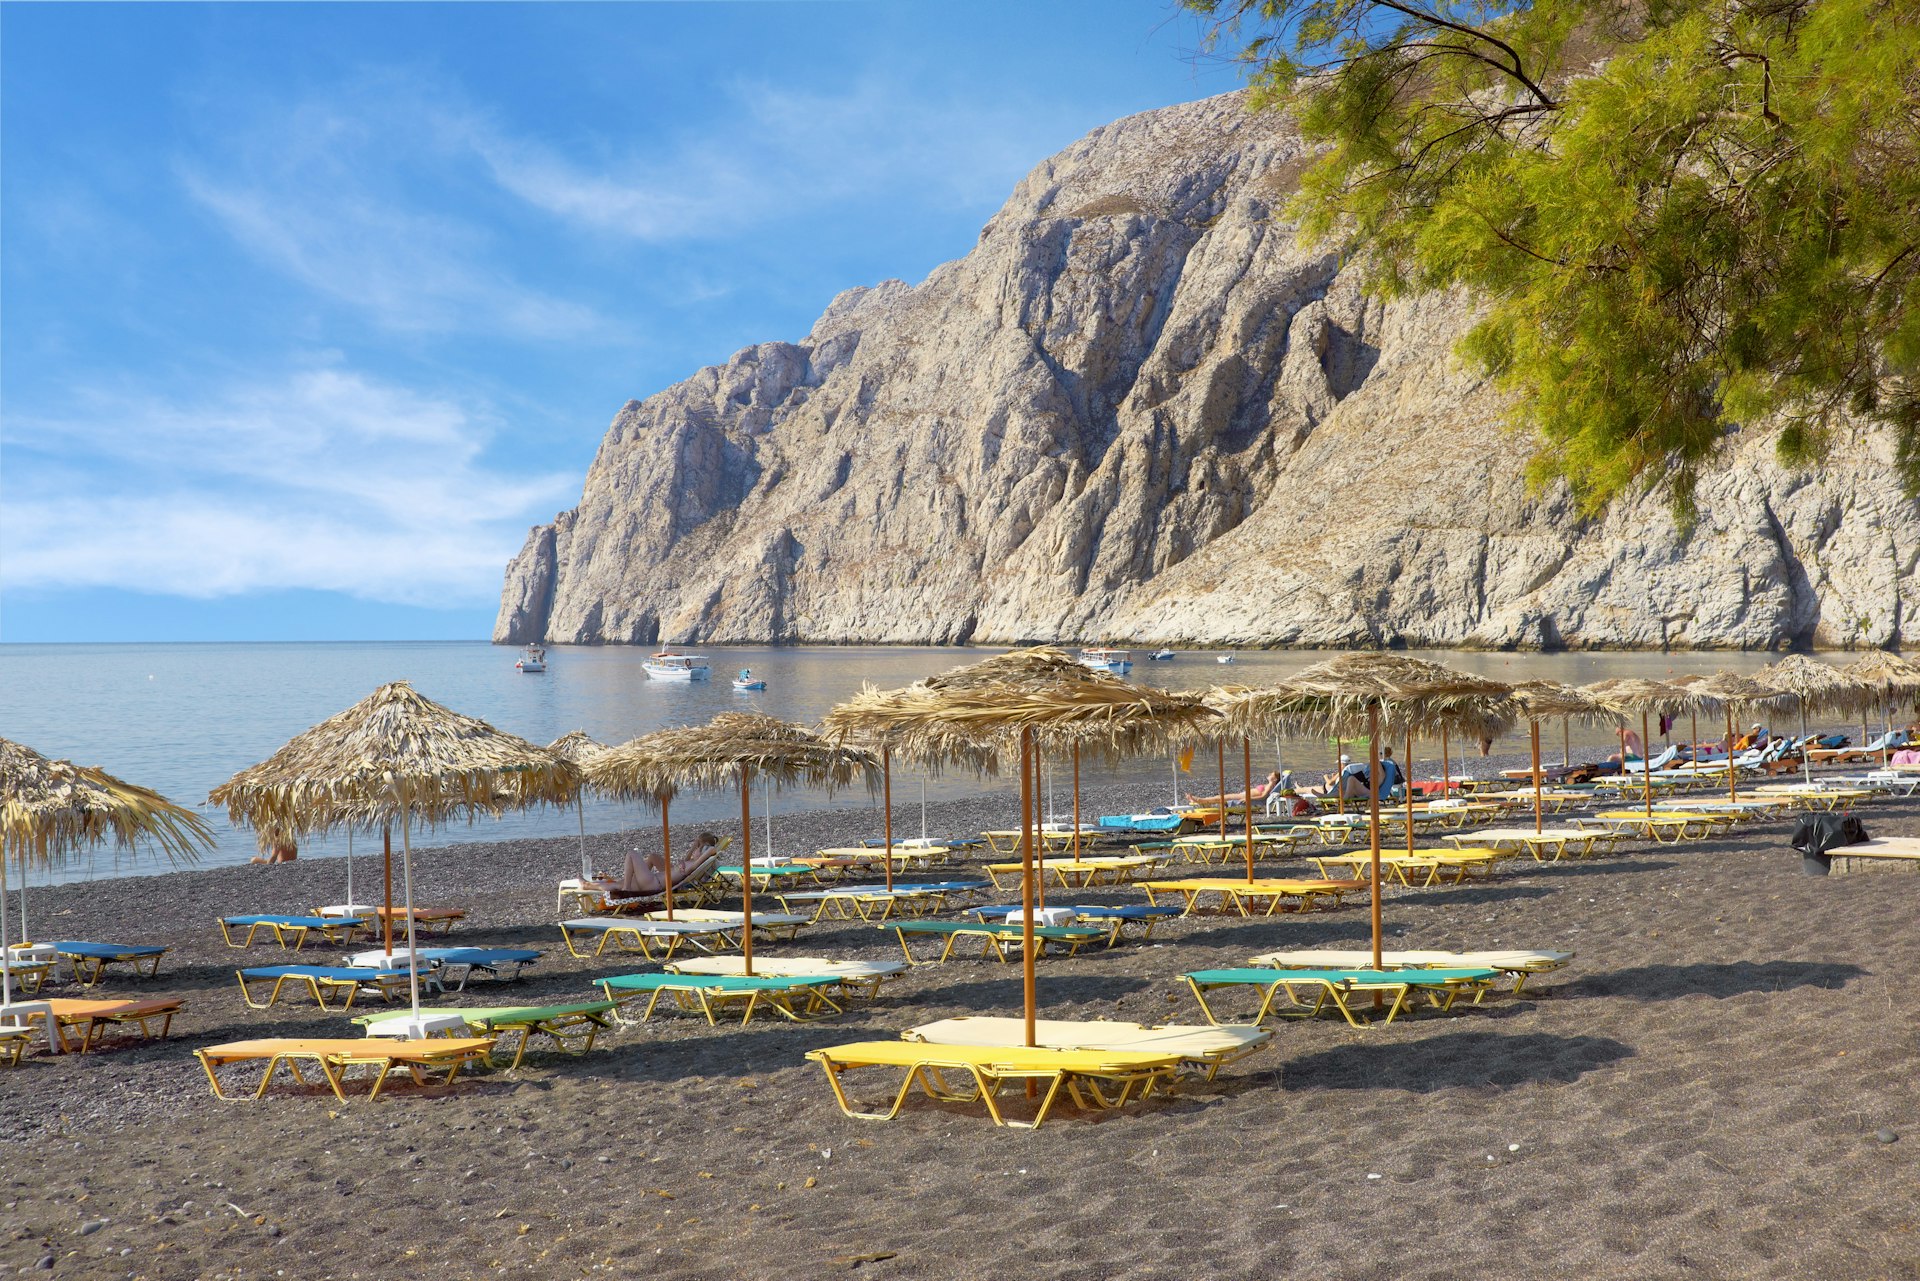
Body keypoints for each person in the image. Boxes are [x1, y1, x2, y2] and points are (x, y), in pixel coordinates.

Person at [1186, 770, 1284, 807]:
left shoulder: (1270, 785)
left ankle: (1199, 800)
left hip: (1243, 796)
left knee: (1220, 798)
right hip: (1243, 794)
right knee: (1220, 798)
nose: (1269, 774)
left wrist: (1248, 799)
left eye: (1271, 774)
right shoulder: (1269, 784)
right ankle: (1200, 801)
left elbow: (1263, 796)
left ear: (1275, 779)